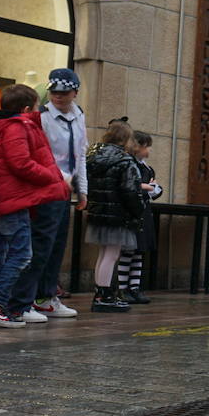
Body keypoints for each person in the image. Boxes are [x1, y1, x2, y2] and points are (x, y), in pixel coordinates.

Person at [0, 84, 66, 327]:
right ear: (27, 108)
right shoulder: (17, 126)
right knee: (21, 254)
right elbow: (21, 163)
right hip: (13, 200)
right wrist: (52, 176)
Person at [10, 68, 86, 320]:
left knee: (56, 246)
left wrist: (82, 188)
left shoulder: (79, 116)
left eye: (64, 92)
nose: (58, 97)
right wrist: (52, 178)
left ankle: (45, 296)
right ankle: (25, 300)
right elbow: (34, 153)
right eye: (54, 92)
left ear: (75, 92)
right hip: (45, 186)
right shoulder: (40, 117)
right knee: (40, 245)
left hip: (65, 189)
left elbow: (80, 154)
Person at [84, 118, 145, 312]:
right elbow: (130, 190)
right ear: (126, 139)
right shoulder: (124, 160)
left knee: (104, 254)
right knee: (111, 255)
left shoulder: (93, 156)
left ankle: (103, 293)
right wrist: (138, 210)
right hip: (117, 214)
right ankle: (104, 295)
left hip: (98, 212)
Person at [117, 129, 161, 304]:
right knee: (127, 251)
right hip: (132, 212)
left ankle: (134, 287)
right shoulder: (129, 164)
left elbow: (153, 189)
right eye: (147, 147)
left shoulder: (147, 168)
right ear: (138, 147)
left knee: (139, 252)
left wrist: (155, 189)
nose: (149, 151)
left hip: (144, 212)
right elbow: (129, 187)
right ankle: (122, 289)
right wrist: (147, 188)